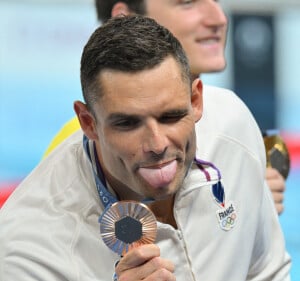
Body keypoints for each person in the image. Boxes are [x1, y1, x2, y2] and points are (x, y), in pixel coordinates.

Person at [0, 15, 290, 281]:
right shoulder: (29, 252)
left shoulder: (232, 129)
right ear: (88, 123)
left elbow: (265, 279)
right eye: (127, 123)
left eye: (171, 116)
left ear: (195, 101)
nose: (157, 144)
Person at [43, 0, 286, 215]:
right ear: (125, 19)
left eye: (216, 0)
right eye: (188, 2)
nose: (219, 19)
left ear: (196, 101)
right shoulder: (76, 144)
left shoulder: (227, 117)